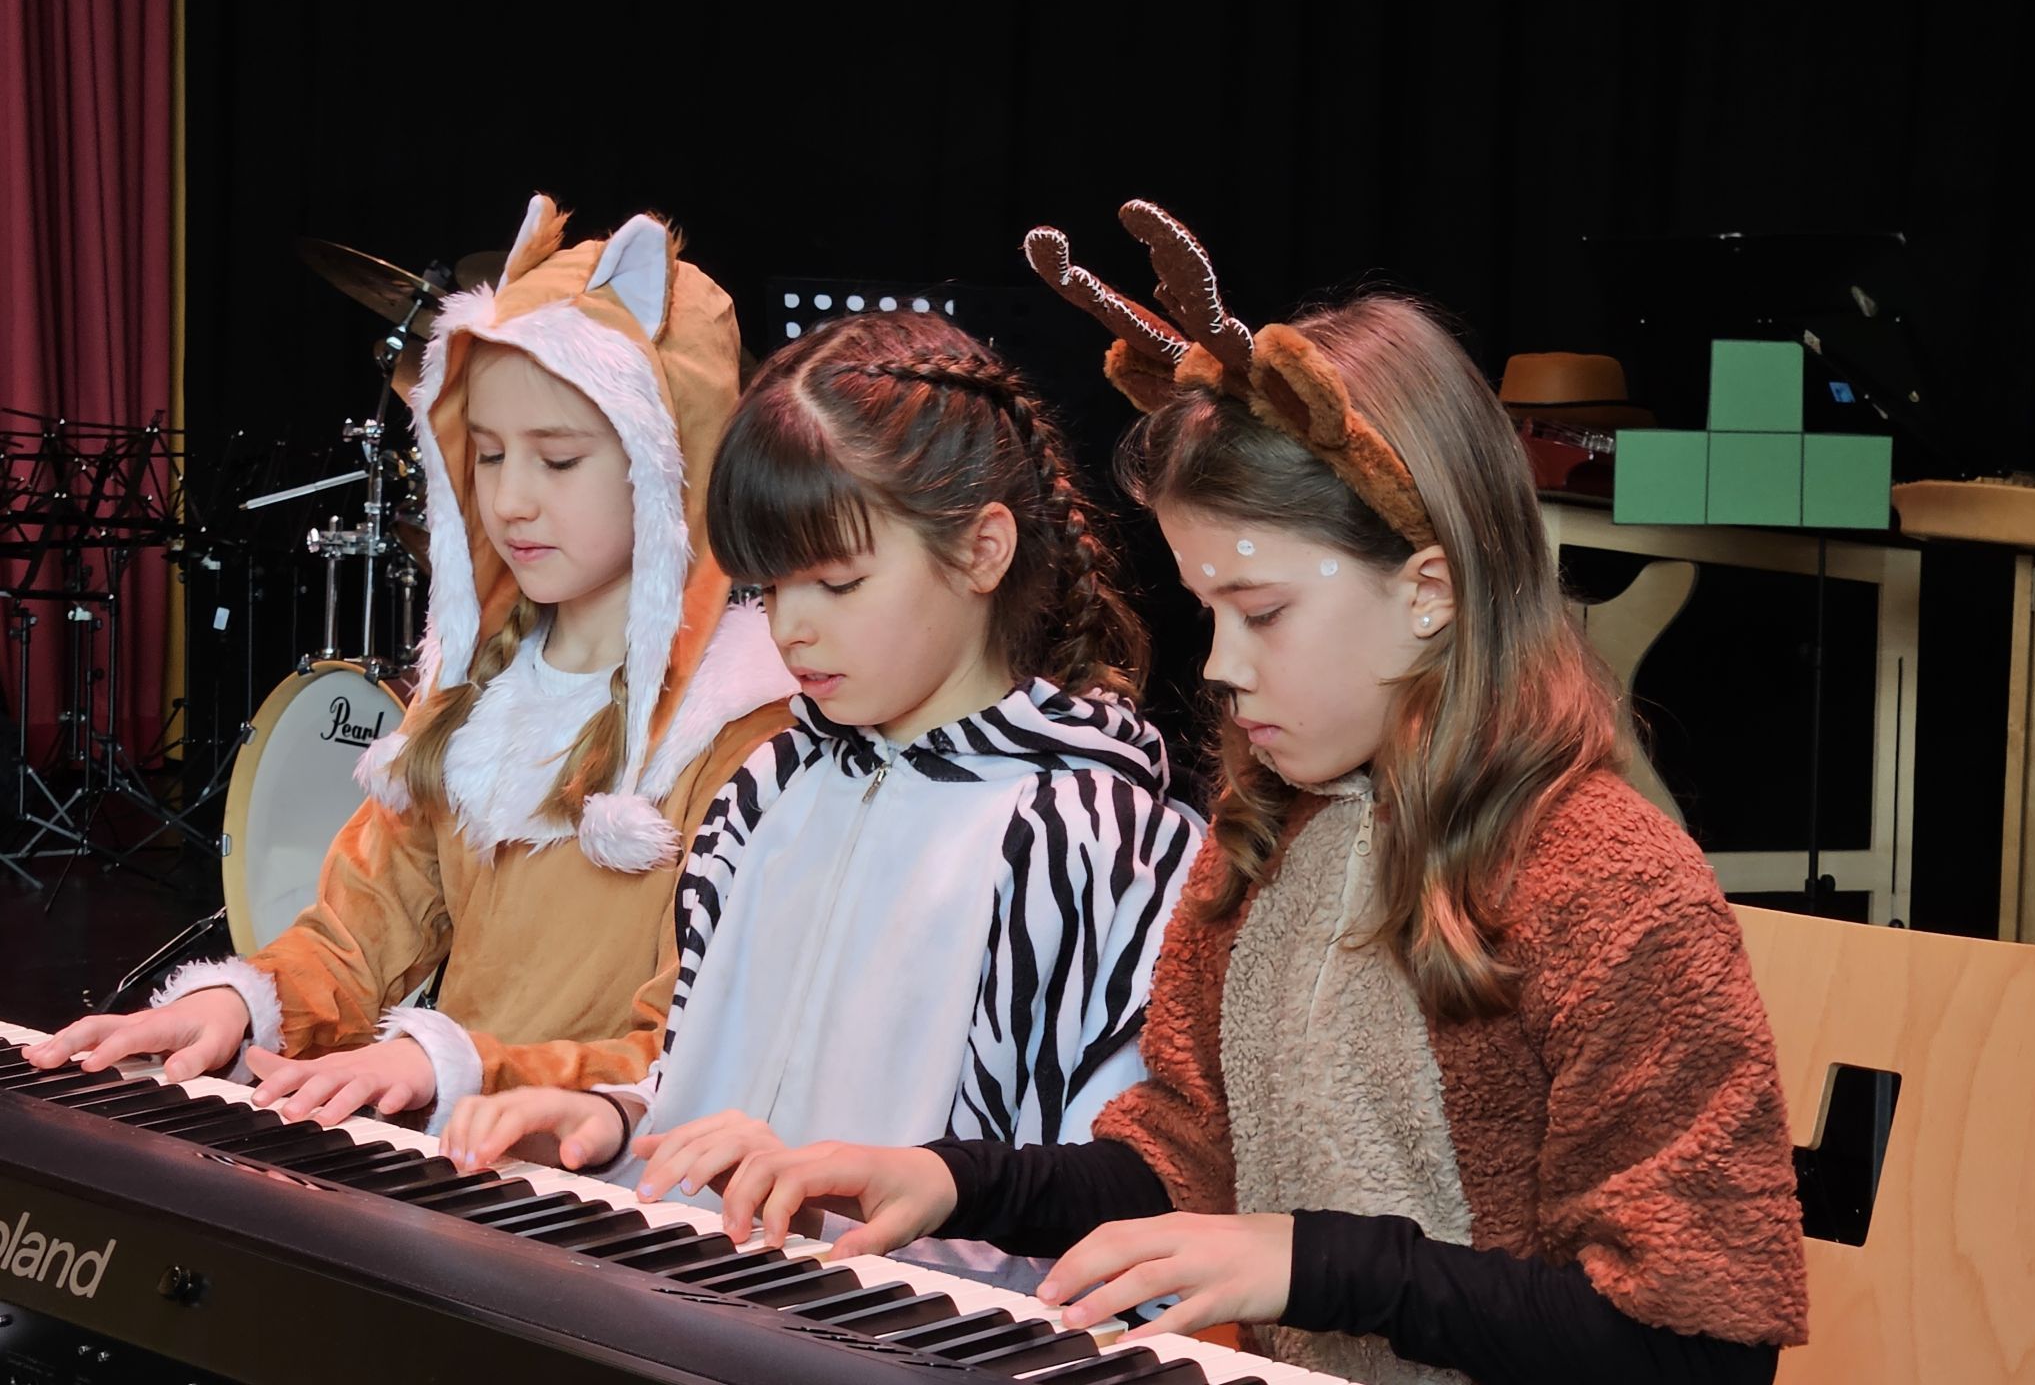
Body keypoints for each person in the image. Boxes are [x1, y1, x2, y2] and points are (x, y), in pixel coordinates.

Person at [708, 203, 1810, 1384]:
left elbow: (1696, 1346)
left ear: (1428, 590)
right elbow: (1178, 1165)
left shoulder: (1612, 886)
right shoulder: (1270, 846)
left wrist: (1308, 1261)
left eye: (1264, 611)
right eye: (1207, 611)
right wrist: (953, 1178)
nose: (1222, 665)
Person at [438, 313, 1201, 1287]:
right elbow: (716, 1100)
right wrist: (616, 1121)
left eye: (836, 582)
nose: (791, 628)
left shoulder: (1100, 841)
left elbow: (1139, 1194)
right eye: (769, 587)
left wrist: (899, 1196)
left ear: (981, 551)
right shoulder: (763, 790)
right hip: (693, 1313)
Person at [26, 196, 795, 1131]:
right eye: (488, 455)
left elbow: (695, 1049)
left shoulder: (744, 728)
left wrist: (447, 1064)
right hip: (461, 1165)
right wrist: (233, 1002)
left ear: (671, 462)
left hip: (626, 1196)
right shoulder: (476, 697)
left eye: (558, 461)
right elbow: (357, 935)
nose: (510, 500)